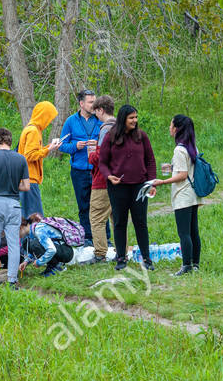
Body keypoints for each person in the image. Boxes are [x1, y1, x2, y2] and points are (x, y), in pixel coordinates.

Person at [103, 104, 156, 271]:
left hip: (140, 187)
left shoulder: (142, 136)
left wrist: (151, 182)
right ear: (123, 119)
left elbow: (150, 161)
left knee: (141, 222)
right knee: (119, 222)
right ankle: (121, 258)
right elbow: (102, 163)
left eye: (136, 117)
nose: (135, 121)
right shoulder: (110, 137)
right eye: (131, 118)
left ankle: (146, 259)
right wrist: (109, 176)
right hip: (118, 187)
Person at [150, 114, 203, 276]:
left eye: (171, 125)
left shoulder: (179, 149)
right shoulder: (192, 147)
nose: (169, 127)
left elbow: (182, 175)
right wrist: (172, 167)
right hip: (193, 194)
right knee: (193, 231)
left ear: (177, 128)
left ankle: (186, 265)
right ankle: (195, 264)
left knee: (184, 232)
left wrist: (162, 182)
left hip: (183, 195)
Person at [0, 127, 31, 289]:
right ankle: (11, 281)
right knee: (13, 244)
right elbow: (26, 186)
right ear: (9, 141)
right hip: (14, 204)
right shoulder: (21, 159)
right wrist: (12, 185)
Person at [58, 90, 101, 243]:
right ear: (81, 104)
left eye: (95, 101)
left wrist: (98, 145)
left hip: (98, 170)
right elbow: (61, 145)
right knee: (84, 206)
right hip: (79, 170)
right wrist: (76, 146)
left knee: (101, 206)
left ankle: (105, 239)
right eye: (91, 102)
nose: (94, 105)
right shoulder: (71, 121)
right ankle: (88, 238)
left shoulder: (100, 120)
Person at [17, 102, 60, 219]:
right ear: (43, 116)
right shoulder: (33, 131)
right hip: (29, 180)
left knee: (28, 217)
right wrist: (48, 150)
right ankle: (32, 238)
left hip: (27, 179)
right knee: (35, 218)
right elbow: (29, 155)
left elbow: (32, 152)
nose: (50, 121)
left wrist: (48, 147)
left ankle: (27, 237)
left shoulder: (31, 128)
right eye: (49, 117)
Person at [87, 95, 116, 263]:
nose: (96, 116)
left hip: (102, 180)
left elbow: (101, 156)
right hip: (119, 179)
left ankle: (100, 253)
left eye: (96, 112)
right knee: (117, 218)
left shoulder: (106, 129)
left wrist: (91, 154)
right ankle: (122, 252)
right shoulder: (122, 126)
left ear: (100, 110)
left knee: (97, 217)